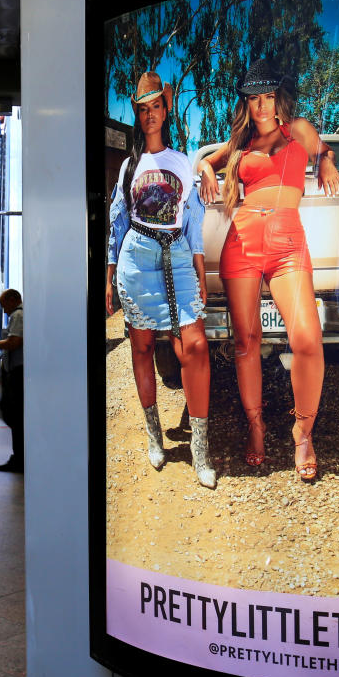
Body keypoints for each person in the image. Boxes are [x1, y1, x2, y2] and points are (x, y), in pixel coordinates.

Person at [197, 61, 339, 482]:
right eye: (253, 98)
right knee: (246, 342)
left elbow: (322, 150)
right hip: (241, 244)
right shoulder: (239, 143)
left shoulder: (298, 130)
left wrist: (328, 159)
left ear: (279, 98)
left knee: (308, 340)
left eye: (267, 96)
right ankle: (256, 426)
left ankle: (303, 431)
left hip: (287, 245)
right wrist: (207, 168)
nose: (261, 106)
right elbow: (206, 163)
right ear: (247, 102)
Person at [106, 71, 215, 488]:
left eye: (156, 106)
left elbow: (194, 224)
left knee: (196, 346)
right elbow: (119, 222)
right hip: (138, 259)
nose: (150, 114)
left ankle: (200, 450)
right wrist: (110, 273)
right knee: (142, 347)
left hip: (178, 257)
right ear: (137, 114)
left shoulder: (183, 162)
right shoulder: (129, 167)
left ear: (166, 109)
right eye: (143, 108)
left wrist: (201, 276)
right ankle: (155, 436)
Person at [0, 289, 24, 472]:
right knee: (13, 414)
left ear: (12, 300)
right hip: (18, 371)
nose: (4, 311)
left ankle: (20, 458)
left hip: (18, 372)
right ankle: (20, 456)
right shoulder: (22, 314)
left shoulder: (18, 315)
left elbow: (15, 341)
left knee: (13, 414)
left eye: (4, 306)